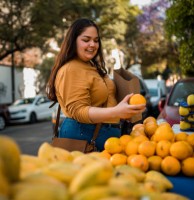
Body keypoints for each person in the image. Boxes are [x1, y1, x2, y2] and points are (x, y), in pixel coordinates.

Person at [46, 18, 146, 151]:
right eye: (86, 40)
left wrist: (123, 112)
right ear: (73, 41)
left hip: (102, 137)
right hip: (83, 136)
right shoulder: (71, 69)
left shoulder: (91, 65)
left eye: (96, 40)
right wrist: (116, 112)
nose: (92, 44)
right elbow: (79, 111)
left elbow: (103, 101)